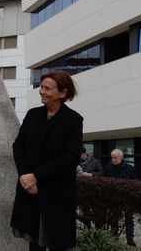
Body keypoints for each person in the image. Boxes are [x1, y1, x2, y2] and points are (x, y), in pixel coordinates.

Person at [11, 71, 83, 251]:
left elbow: (71, 156)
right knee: (34, 242)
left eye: (47, 88)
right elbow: (18, 146)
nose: (41, 91)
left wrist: (36, 177)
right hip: (29, 189)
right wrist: (25, 177)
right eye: (41, 87)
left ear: (62, 93)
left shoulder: (73, 120)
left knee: (58, 242)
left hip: (56, 191)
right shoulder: (32, 115)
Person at [104, 149, 136, 246]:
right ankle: (114, 238)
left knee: (129, 219)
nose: (113, 159)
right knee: (114, 219)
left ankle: (130, 239)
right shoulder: (108, 168)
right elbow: (104, 183)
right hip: (114, 199)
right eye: (112, 157)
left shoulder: (130, 168)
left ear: (121, 158)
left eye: (115, 157)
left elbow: (135, 183)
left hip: (127, 199)